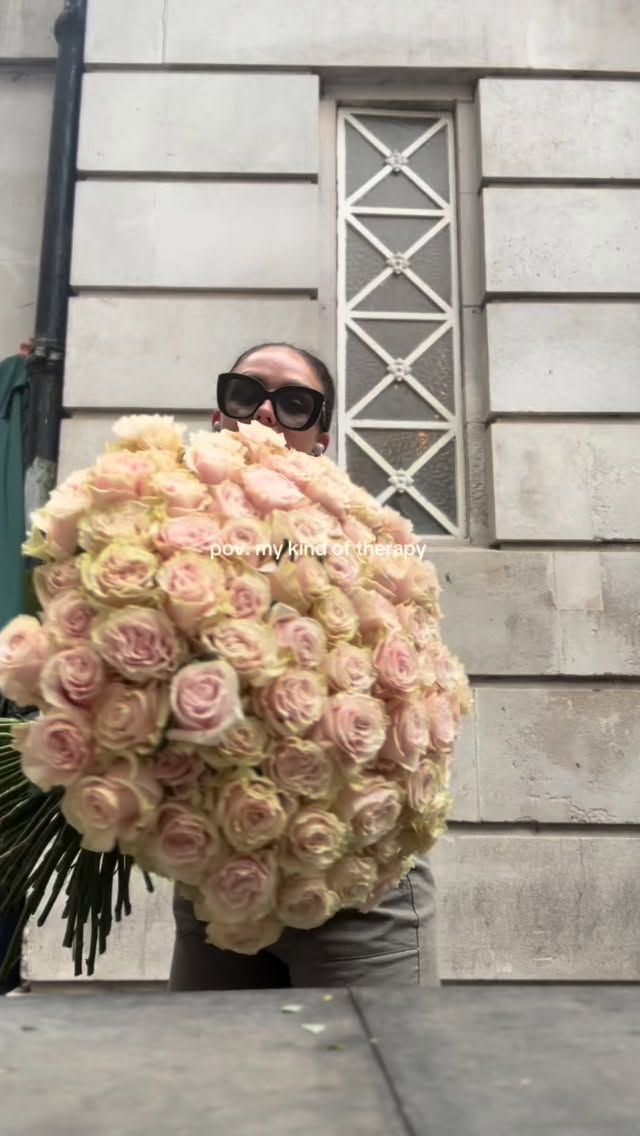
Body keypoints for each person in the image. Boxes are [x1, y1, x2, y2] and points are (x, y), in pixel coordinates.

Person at [168, 342, 439, 989]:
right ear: (219, 414)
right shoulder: (166, 538)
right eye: (246, 392)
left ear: (320, 437)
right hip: (217, 883)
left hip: (355, 892)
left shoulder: (364, 545)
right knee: (220, 1084)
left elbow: (406, 710)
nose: (264, 411)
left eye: (294, 403)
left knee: (380, 1082)